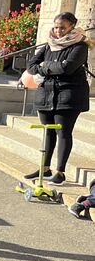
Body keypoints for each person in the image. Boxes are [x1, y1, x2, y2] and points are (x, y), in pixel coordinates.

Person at [25, 12, 90, 183]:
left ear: (72, 27)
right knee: (48, 131)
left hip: (69, 96)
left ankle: (60, 172)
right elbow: (31, 66)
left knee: (63, 132)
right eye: (56, 27)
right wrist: (51, 67)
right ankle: (45, 168)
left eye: (62, 27)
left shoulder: (79, 45)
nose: (58, 31)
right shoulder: (49, 45)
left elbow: (67, 68)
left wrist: (44, 66)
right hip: (46, 94)